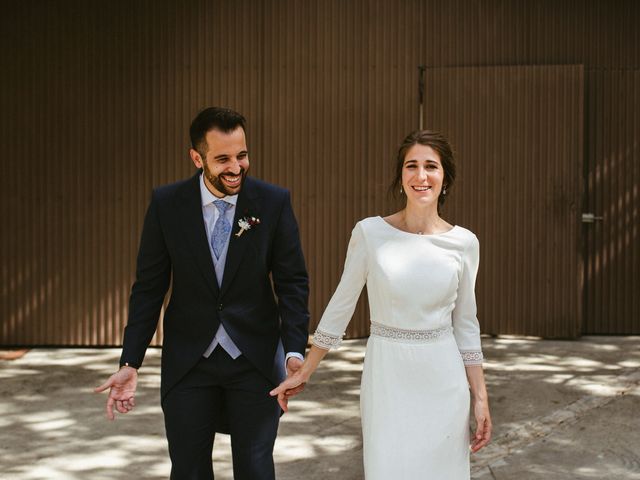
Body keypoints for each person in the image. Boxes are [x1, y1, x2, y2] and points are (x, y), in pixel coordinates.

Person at [95, 107, 310, 480]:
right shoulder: (167, 204)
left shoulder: (272, 202)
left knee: (256, 469)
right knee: (189, 470)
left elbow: (292, 283)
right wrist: (130, 363)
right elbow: (149, 288)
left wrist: (293, 351)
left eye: (241, 155)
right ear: (197, 158)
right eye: (222, 158)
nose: (236, 167)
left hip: (255, 361)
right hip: (189, 361)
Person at [271, 130, 492, 479]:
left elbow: (466, 324)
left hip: (444, 381)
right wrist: (306, 370)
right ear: (400, 176)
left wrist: (479, 397)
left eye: (431, 166)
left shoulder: (465, 243)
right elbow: (341, 307)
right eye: (411, 166)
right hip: (387, 378)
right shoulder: (370, 233)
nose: (421, 176)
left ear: (445, 178)